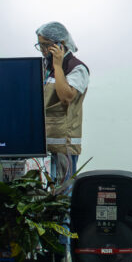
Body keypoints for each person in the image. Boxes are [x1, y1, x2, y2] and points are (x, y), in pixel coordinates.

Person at [36, 21, 89, 185]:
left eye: (46, 45)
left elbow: (66, 97)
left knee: (63, 194)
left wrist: (58, 66)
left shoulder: (76, 68)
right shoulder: (46, 67)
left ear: (61, 44)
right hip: (44, 143)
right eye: (40, 45)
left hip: (64, 144)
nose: (43, 50)